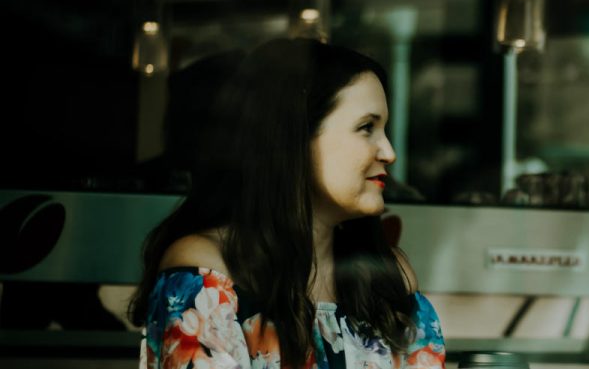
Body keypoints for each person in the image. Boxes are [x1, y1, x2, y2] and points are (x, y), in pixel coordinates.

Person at [128, 38, 446, 369]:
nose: (389, 152)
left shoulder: (388, 277)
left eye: (384, 129)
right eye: (366, 128)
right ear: (295, 140)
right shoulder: (207, 274)